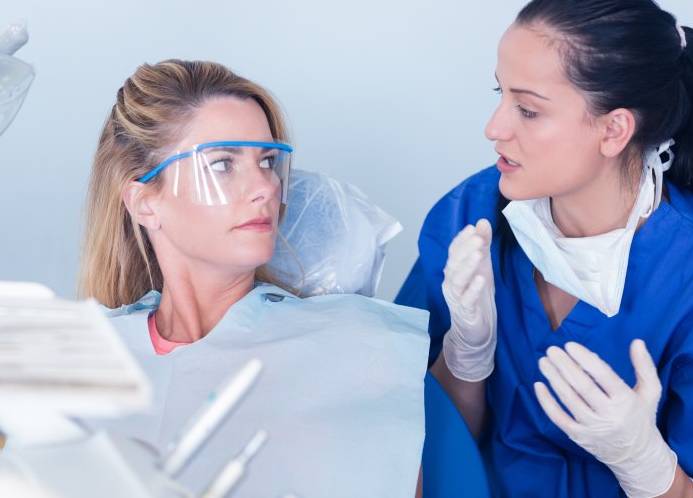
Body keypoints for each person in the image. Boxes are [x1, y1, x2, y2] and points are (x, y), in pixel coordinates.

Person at [396, 0, 693, 497]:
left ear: (614, 130)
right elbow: (409, 455)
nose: (494, 128)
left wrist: (647, 467)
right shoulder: (467, 218)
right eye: (500, 94)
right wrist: (464, 359)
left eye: (528, 110)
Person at [78, 59, 429, 496]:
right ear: (145, 202)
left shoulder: (360, 346)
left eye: (267, 161)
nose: (265, 186)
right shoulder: (85, 359)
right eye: (223, 164)